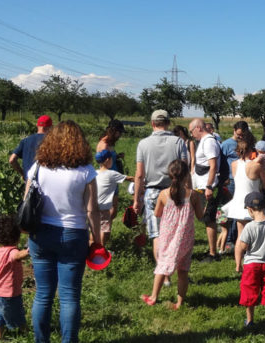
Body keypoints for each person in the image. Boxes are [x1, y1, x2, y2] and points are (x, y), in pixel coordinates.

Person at [26, 120, 102, 343]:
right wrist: (97, 239)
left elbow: (26, 200)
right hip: (73, 234)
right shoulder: (86, 171)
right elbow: (92, 210)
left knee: (43, 294)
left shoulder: (38, 167)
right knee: (69, 296)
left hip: (40, 234)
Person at [141, 159, 204, 309]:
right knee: (183, 271)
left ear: (170, 175)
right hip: (185, 238)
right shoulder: (193, 195)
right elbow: (200, 216)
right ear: (187, 175)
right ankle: (180, 303)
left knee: (162, 266)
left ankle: (154, 297)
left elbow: (157, 214)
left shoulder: (163, 194)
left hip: (167, 237)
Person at [133, 110, 189, 259]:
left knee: (157, 235)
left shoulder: (143, 144)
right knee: (174, 233)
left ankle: (164, 275)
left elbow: (139, 174)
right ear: (168, 123)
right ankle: (176, 266)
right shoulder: (178, 142)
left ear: (152, 123)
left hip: (152, 192)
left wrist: (136, 199)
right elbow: (184, 169)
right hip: (174, 191)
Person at [235, 191, 265, 330]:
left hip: (251, 265)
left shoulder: (249, 227)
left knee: (250, 290)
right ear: (264, 206)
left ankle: (250, 320)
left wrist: (238, 263)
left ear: (250, 209)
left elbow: (243, 246)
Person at [190, 118, 227, 262]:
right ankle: (212, 249)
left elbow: (212, 166)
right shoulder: (204, 141)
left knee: (209, 218)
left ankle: (213, 254)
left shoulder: (209, 142)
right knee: (207, 218)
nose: (191, 134)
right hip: (204, 185)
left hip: (208, 186)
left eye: (191, 131)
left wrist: (209, 186)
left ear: (198, 128)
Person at [0, 214, 30, 340]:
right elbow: (18, 256)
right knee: (18, 315)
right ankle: (26, 334)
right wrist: (31, 249)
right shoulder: (12, 252)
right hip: (9, 294)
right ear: (17, 237)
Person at [227, 140, 265, 246]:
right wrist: (263, 166)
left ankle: (238, 261)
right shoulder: (256, 166)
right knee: (256, 233)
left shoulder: (233, 164)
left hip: (239, 201)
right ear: (251, 151)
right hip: (254, 202)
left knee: (240, 234)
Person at [220, 121, 251, 252]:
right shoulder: (226, 145)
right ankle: (226, 237)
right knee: (227, 211)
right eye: (239, 135)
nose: (240, 137)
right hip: (231, 182)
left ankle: (235, 238)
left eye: (243, 135)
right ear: (234, 130)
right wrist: (223, 179)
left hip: (243, 181)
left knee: (239, 212)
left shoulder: (247, 142)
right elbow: (220, 163)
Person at [95, 149, 134, 245]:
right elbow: (129, 178)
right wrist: (141, 179)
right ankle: (101, 252)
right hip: (104, 208)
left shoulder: (95, 173)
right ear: (108, 160)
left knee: (94, 229)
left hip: (93, 207)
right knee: (104, 230)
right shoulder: (111, 173)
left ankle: (91, 248)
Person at [9, 115, 52, 179]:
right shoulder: (52, 142)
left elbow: (12, 160)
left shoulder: (25, 141)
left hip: (29, 182)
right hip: (45, 182)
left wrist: (23, 173)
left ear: (37, 126)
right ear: (50, 127)